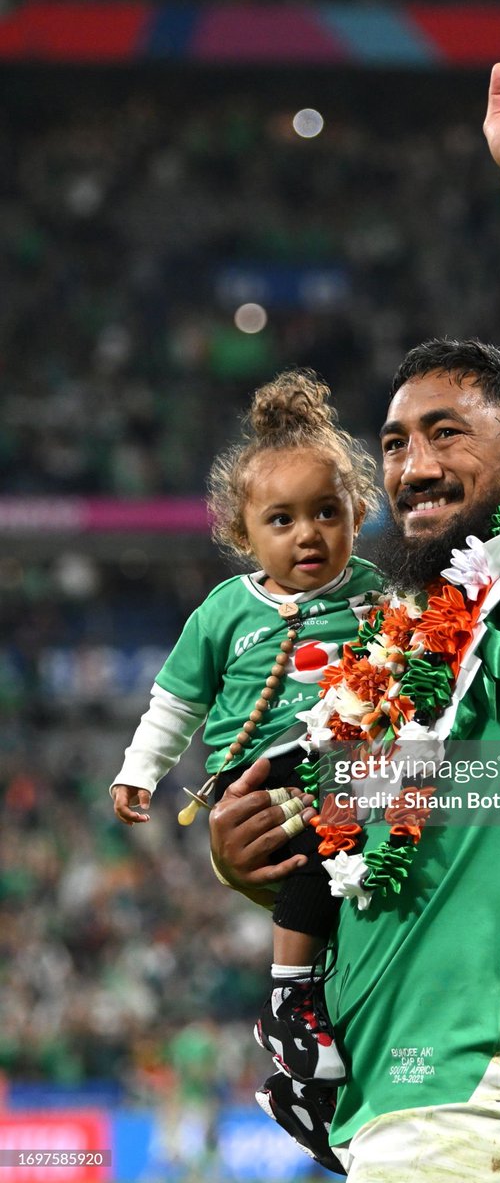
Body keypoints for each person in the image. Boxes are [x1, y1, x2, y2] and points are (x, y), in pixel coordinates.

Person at [208, 7, 500, 1183]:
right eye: (392, 442)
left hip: (493, 1101)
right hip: (415, 1104)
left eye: (444, 433)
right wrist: (248, 856)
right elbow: (347, 860)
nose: (410, 465)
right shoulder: (390, 656)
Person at [109, 371, 383, 1104]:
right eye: (282, 520)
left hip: (345, 770)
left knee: (349, 871)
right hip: (256, 778)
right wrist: (139, 770)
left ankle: (310, 1067)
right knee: (328, 860)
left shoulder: (377, 595)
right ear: (243, 534)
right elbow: (175, 703)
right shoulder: (224, 611)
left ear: (358, 512)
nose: (308, 534)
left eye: (327, 512)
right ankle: (289, 997)